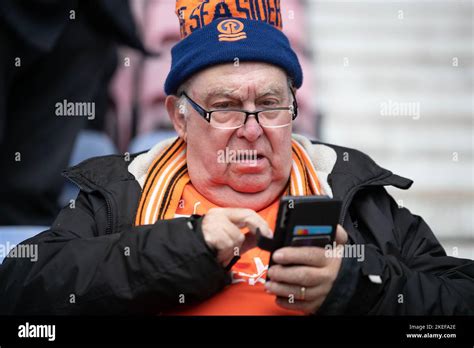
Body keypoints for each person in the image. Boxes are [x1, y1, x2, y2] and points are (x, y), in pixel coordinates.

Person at [0, 0, 472, 315]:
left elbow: (458, 300)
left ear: (294, 108)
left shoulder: (352, 191)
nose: (251, 130)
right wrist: (183, 249)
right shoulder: (122, 191)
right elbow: (20, 287)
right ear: (180, 118)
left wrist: (356, 284)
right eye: (224, 108)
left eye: (269, 105)